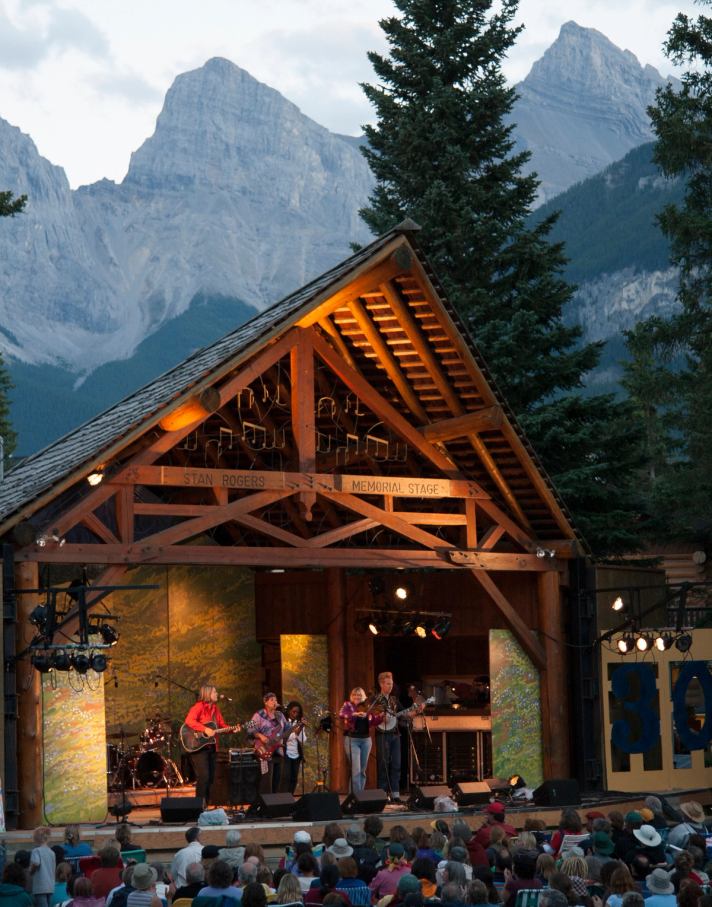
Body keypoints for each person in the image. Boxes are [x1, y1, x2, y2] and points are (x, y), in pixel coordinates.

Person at [371, 672, 422, 802]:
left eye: (391, 684)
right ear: (381, 684)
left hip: (395, 735)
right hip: (382, 734)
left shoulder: (394, 700)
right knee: (383, 764)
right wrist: (380, 716)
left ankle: (395, 794)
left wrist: (416, 710)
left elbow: (405, 713)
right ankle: (383, 794)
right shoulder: (375, 699)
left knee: (396, 764)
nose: (390, 686)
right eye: (388, 684)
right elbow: (371, 715)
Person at [184, 684, 231, 805]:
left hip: (212, 747)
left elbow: (221, 725)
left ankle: (206, 805)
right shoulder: (198, 706)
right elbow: (189, 721)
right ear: (207, 694)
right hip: (198, 746)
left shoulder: (215, 709)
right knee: (204, 777)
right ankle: (198, 806)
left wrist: (232, 729)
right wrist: (204, 729)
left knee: (210, 778)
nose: (216, 694)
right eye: (214, 692)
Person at [339, 688, 381, 793]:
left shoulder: (367, 707)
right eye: (354, 695)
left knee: (362, 771)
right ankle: (355, 797)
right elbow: (341, 714)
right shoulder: (348, 705)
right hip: (352, 740)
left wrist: (380, 717)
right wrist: (355, 714)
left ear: (363, 696)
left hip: (366, 741)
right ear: (351, 696)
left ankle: (359, 795)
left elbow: (374, 721)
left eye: (359, 695)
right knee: (356, 770)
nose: (357, 697)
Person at [251, 692, 289, 793]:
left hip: (278, 750)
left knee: (277, 778)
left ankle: (275, 802)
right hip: (264, 749)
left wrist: (297, 726)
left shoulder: (280, 715)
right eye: (272, 700)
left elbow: (287, 729)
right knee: (267, 778)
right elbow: (250, 729)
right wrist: (260, 735)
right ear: (265, 702)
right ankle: (265, 802)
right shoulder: (258, 715)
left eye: (276, 700)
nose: (275, 702)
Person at [284, 701, 308, 795]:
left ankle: (291, 796)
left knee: (294, 778)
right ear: (289, 711)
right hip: (286, 753)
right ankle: (284, 798)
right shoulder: (285, 722)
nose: (295, 714)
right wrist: (296, 732)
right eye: (293, 712)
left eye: (297, 712)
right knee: (286, 777)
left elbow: (303, 740)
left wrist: (301, 728)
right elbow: (286, 738)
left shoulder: (298, 723)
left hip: (296, 754)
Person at [30, 827, 56, 907]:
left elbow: (36, 863)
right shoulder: (52, 852)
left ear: (36, 839)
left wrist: (31, 871)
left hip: (40, 886)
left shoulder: (36, 851)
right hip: (50, 885)